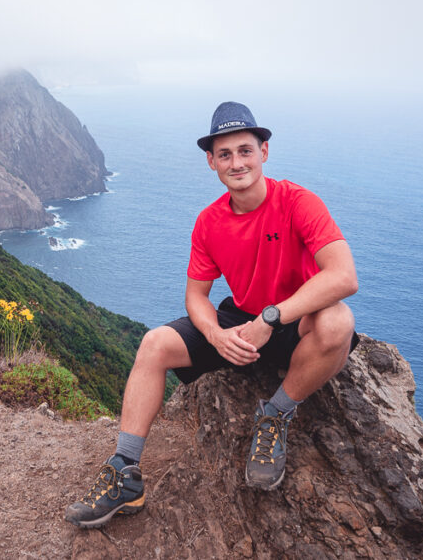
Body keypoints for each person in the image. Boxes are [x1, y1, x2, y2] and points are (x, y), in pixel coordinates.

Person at [65, 101, 359, 529]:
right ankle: (125, 471)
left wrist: (269, 319)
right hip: (240, 321)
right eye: (225, 154)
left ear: (264, 152)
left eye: (245, 150)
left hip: (295, 321)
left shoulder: (298, 202)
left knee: (339, 320)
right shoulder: (209, 222)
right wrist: (215, 335)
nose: (236, 162)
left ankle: (274, 415)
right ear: (211, 162)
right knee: (153, 344)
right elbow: (196, 297)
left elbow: (344, 276)